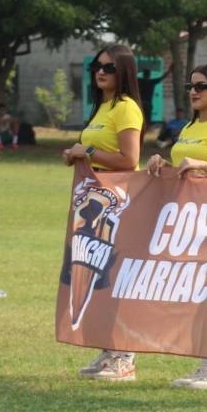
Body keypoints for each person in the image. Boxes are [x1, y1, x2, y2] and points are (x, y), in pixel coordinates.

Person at [146, 64, 207, 389]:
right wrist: (165, 165)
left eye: (201, 86)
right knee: (196, 292)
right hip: (188, 221)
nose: (193, 91)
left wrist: (204, 164)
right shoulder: (189, 127)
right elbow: (185, 170)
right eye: (191, 85)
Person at [64, 44, 143, 382]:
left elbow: (128, 158)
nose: (100, 72)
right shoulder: (103, 107)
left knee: (116, 277)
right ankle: (109, 351)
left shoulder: (126, 108)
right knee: (98, 275)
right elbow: (94, 152)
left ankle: (125, 357)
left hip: (119, 201)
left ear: (123, 71)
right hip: (94, 200)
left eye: (108, 68)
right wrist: (77, 155)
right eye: (97, 66)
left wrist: (89, 150)